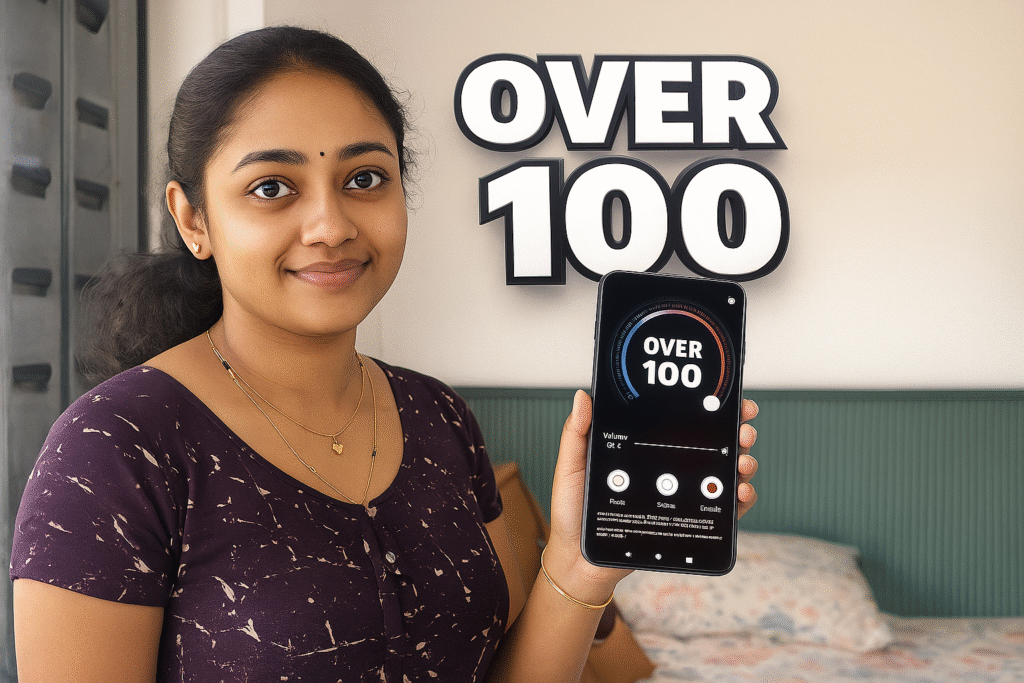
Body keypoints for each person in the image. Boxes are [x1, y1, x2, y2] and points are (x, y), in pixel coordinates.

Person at [9, 26, 759, 683]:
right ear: (193, 219)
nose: (331, 225)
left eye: (364, 179)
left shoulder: (440, 418)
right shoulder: (114, 449)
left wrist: (577, 564)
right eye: (272, 187)